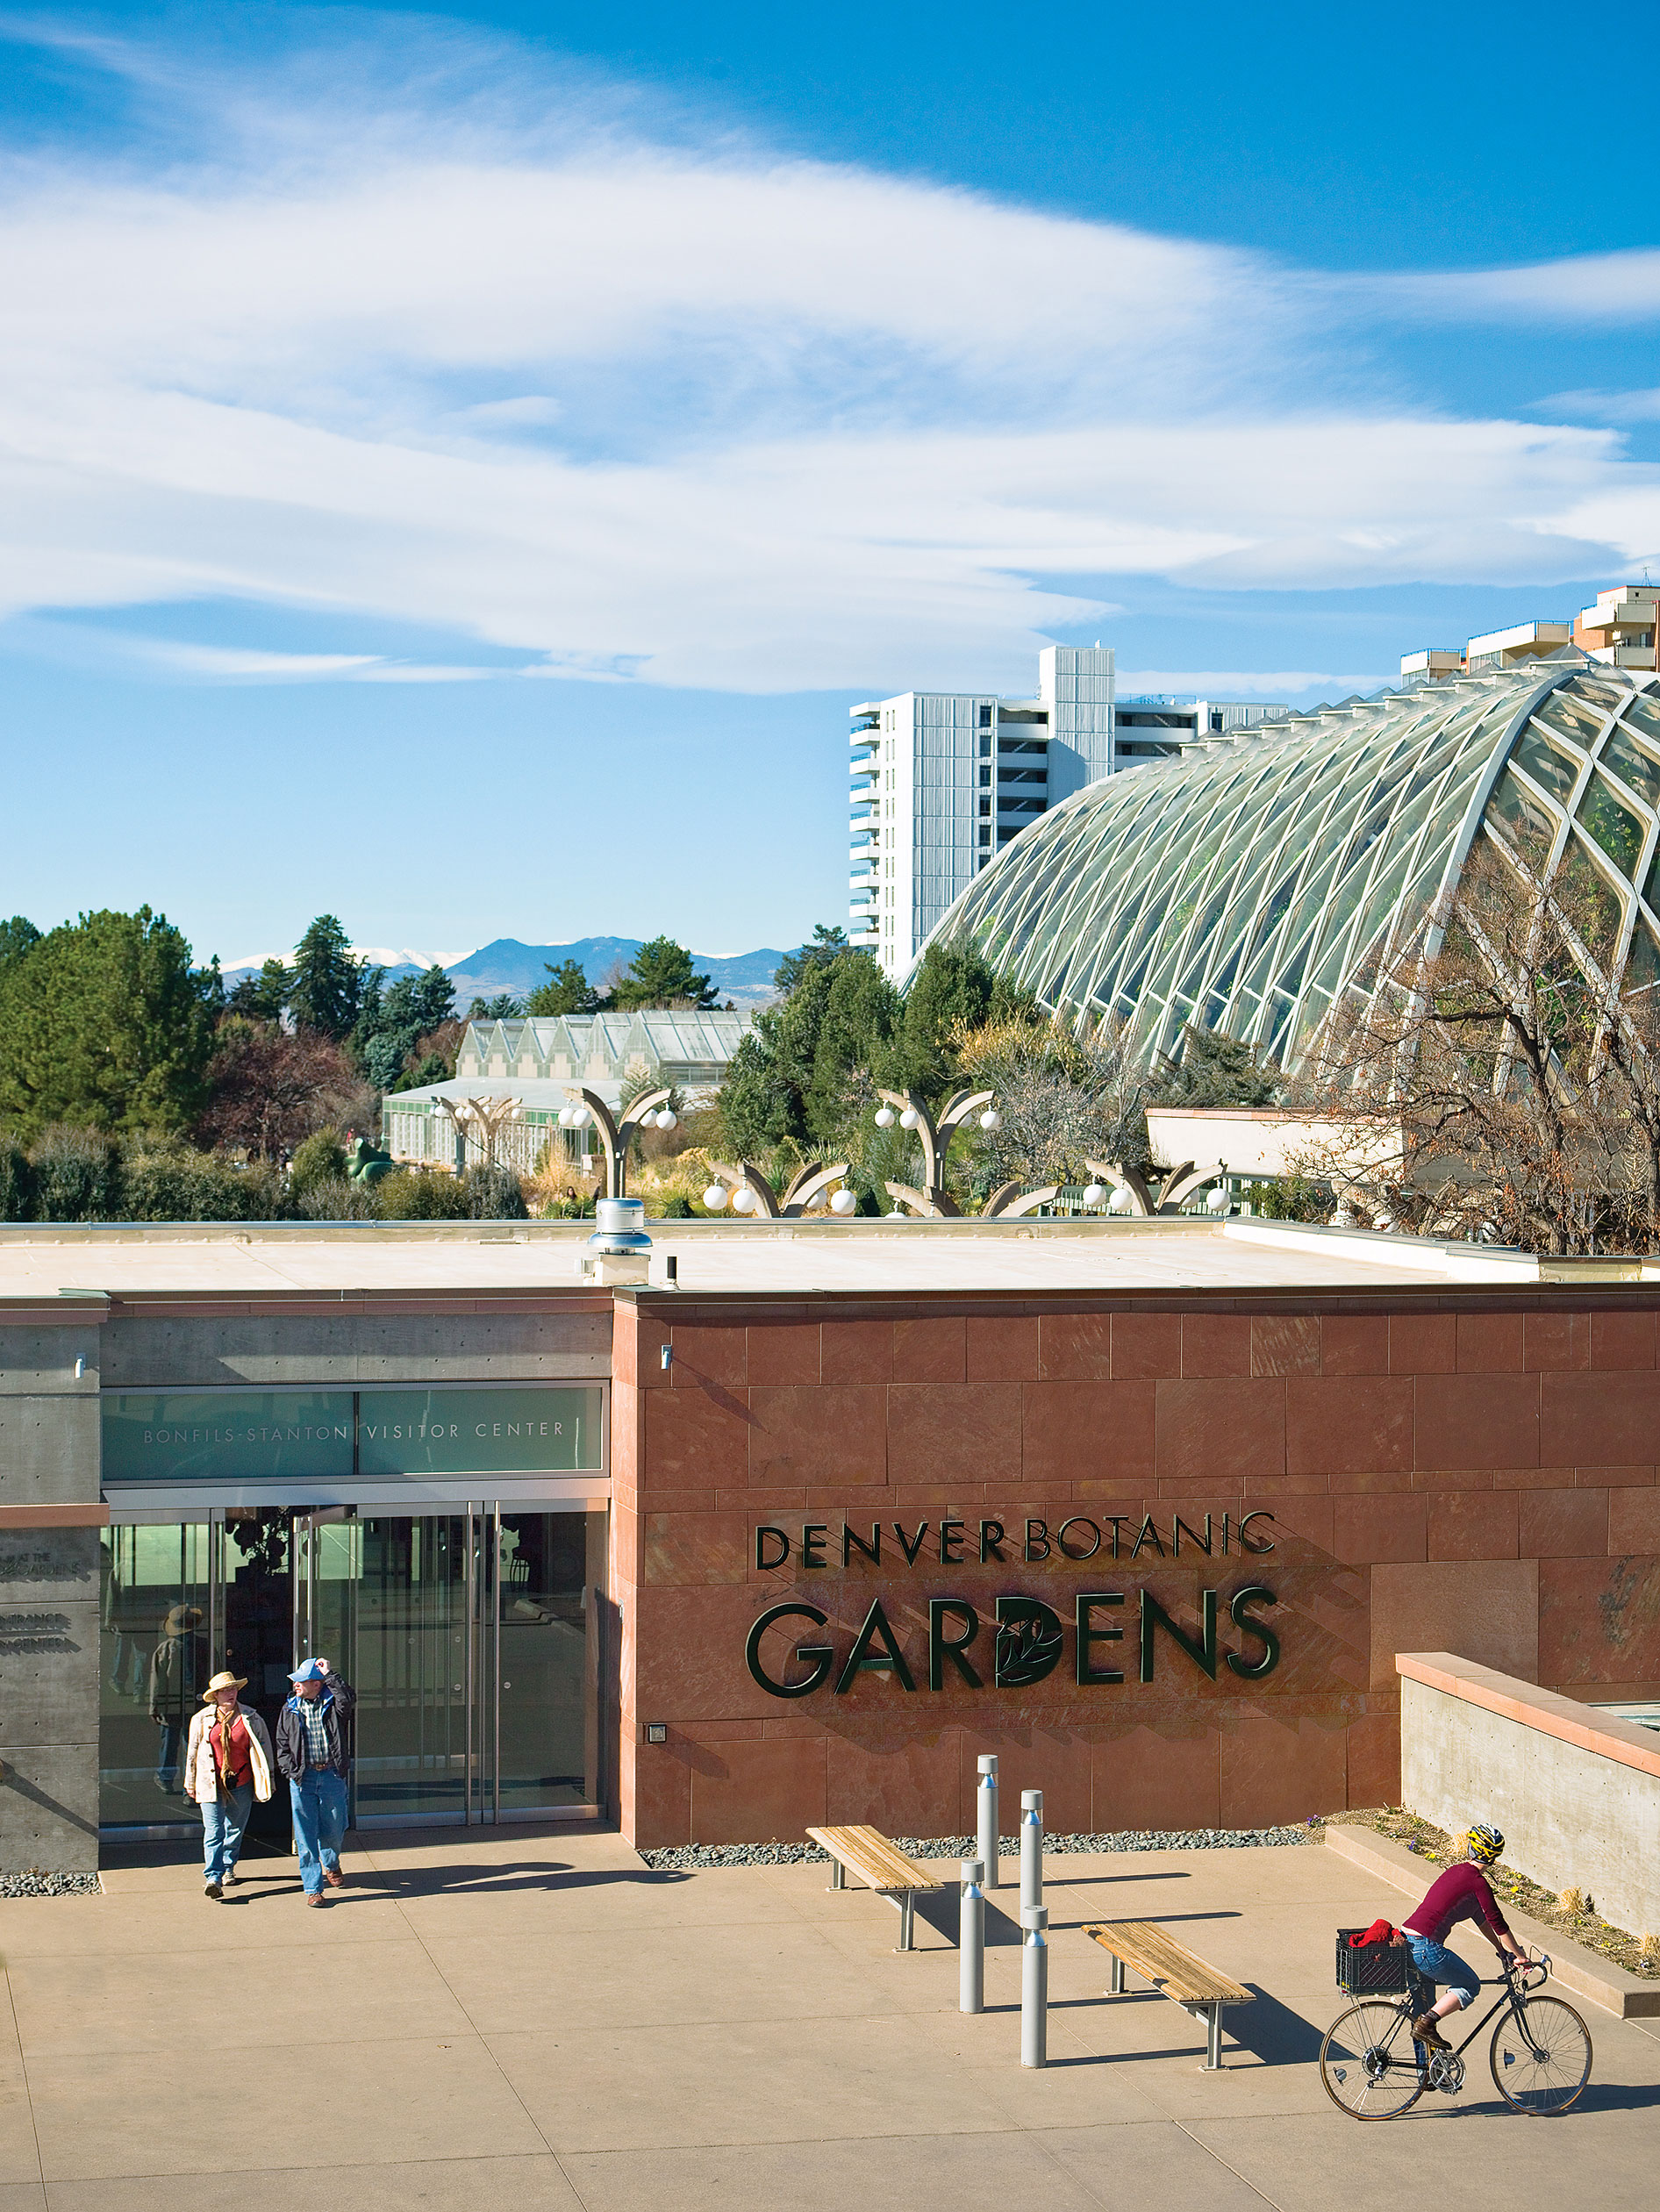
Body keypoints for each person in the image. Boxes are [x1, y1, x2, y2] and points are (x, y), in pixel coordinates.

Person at [1399, 1822, 1528, 2049]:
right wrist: (1519, 1955)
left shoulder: (1456, 1872)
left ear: (1472, 1848)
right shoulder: (1477, 1883)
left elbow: (1482, 1920)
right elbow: (1498, 1924)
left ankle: (1426, 2076)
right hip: (1427, 1948)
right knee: (1469, 1984)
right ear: (1494, 1856)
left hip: (1408, 1942)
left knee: (1422, 2013)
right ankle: (1427, 2023)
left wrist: (1502, 1950)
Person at [182, 1670, 275, 1900]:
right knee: (214, 1830)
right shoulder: (201, 1719)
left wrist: (268, 1779)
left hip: (241, 1781)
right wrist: (190, 1782)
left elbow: (265, 1752)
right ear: (215, 1695)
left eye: (233, 1689)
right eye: (225, 1690)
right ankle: (213, 1877)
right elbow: (192, 1753)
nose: (230, 1694)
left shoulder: (251, 1717)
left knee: (234, 1828)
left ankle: (228, 1867)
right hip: (210, 1782)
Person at [275, 1657, 355, 1907]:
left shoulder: (332, 1705)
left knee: (334, 1830)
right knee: (305, 1836)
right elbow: (282, 1743)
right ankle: (313, 1888)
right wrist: (290, 1770)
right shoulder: (290, 1707)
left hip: (331, 1775)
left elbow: (348, 1701)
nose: (296, 1685)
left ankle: (331, 1862)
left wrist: (330, 1674)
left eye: (302, 1681)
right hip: (303, 1778)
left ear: (317, 1684)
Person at [147, 1604, 208, 1793]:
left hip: (171, 1705)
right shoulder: (206, 1646)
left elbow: (157, 1682)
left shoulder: (165, 1649)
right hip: (199, 1705)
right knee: (194, 1746)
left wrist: (153, 1707)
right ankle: (190, 1787)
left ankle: (166, 1779)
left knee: (170, 1742)